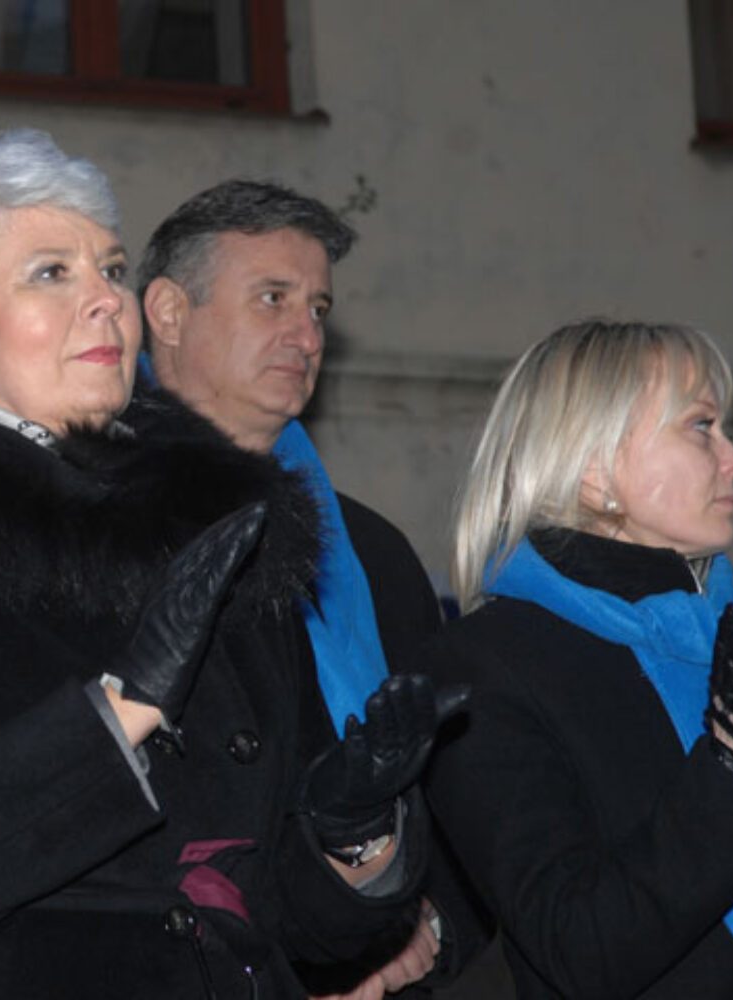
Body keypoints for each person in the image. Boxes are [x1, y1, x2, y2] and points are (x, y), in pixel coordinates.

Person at [0, 120, 463, 1000]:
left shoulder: (220, 530)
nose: (104, 300)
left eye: (112, 268)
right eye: (51, 273)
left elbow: (288, 920)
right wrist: (117, 713)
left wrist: (352, 830)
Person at [423, 319, 733, 998]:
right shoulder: (487, 666)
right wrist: (729, 782)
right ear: (596, 472)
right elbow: (580, 950)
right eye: (701, 427)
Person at [140, 179, 491, 998]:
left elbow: (463, 792)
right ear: (168, 312)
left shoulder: (368, 551)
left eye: (319, 310)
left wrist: (421, 924)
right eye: (273, 299)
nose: (306, 335)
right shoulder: (82, 523)